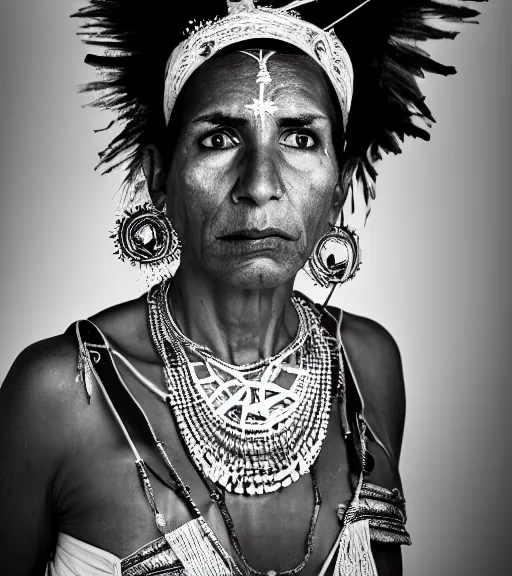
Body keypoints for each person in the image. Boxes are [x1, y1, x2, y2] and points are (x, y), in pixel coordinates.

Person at [0, 1, 486, 575]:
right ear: (160, 179)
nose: (259, 185)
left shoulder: (369, 364)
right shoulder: (63, 396)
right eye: (219, 139)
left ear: (339, 187)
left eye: (301, 139)